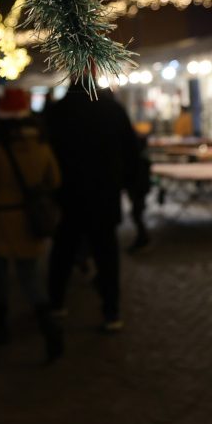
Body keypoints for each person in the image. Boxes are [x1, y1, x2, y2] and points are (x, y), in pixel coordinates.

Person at [0, 88, 64, 362]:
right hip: (29, 217)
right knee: (29, 275)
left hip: (0, 219)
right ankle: (50, 327)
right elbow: (55, 179)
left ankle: (1, 327)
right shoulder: (41, 142)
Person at [45, 80, 140, 333]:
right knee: (107, 256)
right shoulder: (112, 109)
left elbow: (46, 153)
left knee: (63, 252)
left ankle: (56, 304)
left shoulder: (57, 111)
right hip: (104, 195)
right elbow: (132, 151)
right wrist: (125, 186)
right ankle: (112, 312)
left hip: (69, 195)